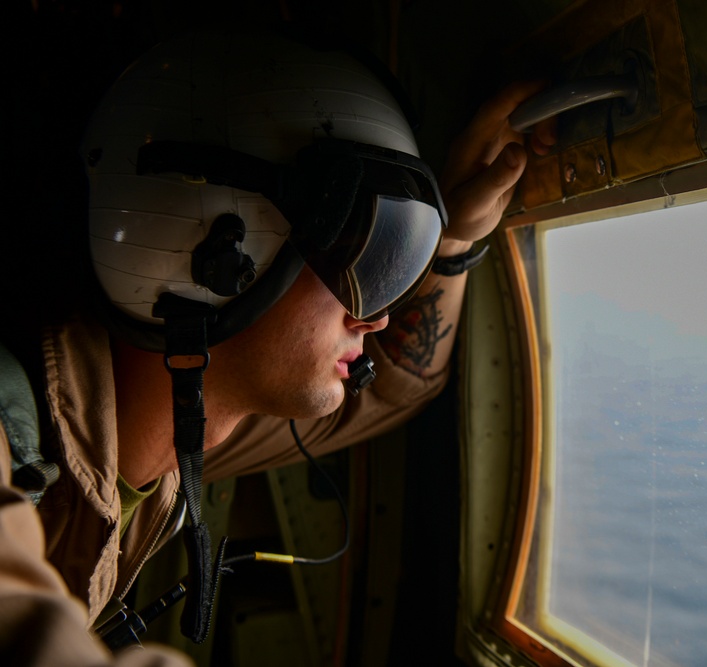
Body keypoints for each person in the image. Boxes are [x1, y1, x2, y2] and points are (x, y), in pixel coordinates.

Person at [0, 28, 555, 666]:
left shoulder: (174, 430)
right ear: (214, 249)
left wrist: (451, 240)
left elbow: (400, 379)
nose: (375, 321)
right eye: (363, 257)